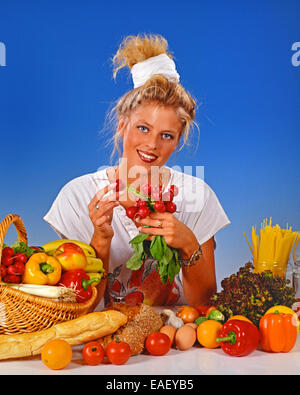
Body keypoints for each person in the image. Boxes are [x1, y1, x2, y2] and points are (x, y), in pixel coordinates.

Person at [44, 34, 230, 310]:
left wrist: (189, 245)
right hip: (107, 341)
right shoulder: (77, 197)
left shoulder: (196, 196)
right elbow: (78, 308)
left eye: (166, 135)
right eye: (143, 128)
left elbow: (204, 305)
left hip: (171, 342)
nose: (152, 145)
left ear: (178, 142)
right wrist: (100, 241)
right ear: (122, 125)